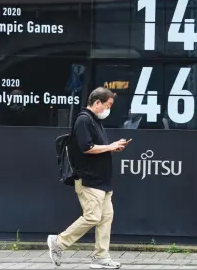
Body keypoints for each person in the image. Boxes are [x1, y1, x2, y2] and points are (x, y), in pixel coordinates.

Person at [47, 87, 128, 269]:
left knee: (106, 217)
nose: (109, 110)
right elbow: (87, 147)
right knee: (92, 217)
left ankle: (101, 256)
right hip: (88, 179)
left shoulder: (94, 121)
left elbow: (95, 147)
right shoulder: (84, 120)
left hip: (101, 181)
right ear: (97, 102)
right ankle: (59, 242)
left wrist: (112, 147)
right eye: (108, 105)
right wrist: (110, 146)